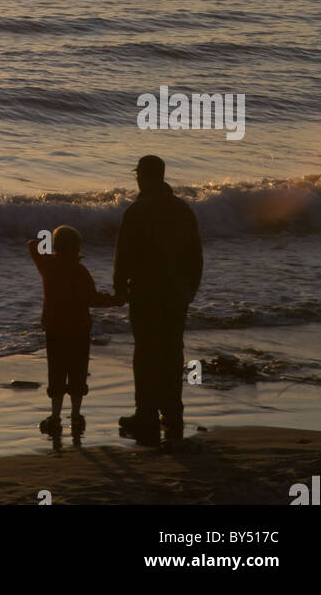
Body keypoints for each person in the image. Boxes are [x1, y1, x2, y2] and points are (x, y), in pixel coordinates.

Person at [113, 155, 203, 445]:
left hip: (147, 293)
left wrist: (119, 287)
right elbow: (195, 256)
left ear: (143, 176)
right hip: (177, 293)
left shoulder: (137, 211)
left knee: (146, 352)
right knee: (171, 350)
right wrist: (191, 289)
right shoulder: (183, 210)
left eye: (138, 174)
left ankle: (147, 413)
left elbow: (124, 254)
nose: (136, 179)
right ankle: (173, 411)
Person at [27, 225, 120, 437]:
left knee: (56, 373)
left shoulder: (48, 265)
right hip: (78, 329)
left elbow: (32, 245)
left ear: (56, 246)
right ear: (77, 248)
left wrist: (48, 245)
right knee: (77, 373)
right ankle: (76, 416)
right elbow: (92, 299)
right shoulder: (80, 271)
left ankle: (56, 417)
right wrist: (116, 300)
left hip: (55, 329)